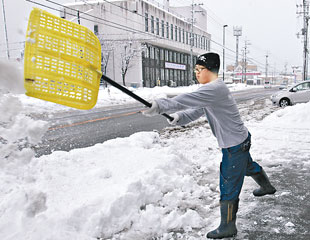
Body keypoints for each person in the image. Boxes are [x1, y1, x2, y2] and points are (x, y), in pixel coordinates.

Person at [143, 52, 276, 239]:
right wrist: (178, 118)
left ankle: (228, 226)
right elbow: (195, 110)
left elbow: (183, 100)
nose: (196, 73)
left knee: (228, 184)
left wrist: (160, 105)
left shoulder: (214, 89)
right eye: (195, 69)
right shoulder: (211, 91)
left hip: (234, 145)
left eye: (200, 69)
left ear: (211, 70)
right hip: (241, 139)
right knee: (248, 166)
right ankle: (267, 187)